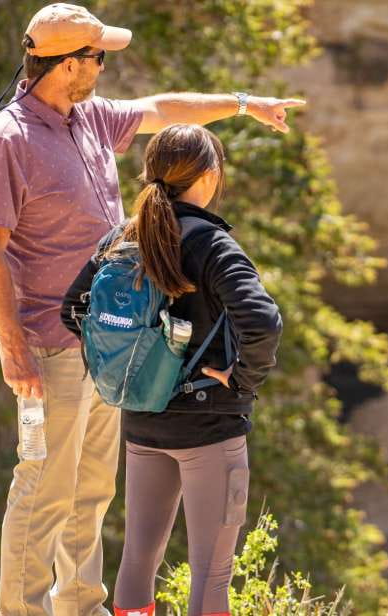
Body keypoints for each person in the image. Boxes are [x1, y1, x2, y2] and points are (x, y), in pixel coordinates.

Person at [0, 4, 302, 615]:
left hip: (111, 345)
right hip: (46, 344)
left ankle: (81, 606)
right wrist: (10, 345)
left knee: (92, 490)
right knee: (43, 486)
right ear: (67, 64)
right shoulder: (6, 140)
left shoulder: (87, 118)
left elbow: (163, 110)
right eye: (97, 57)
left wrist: (245, 103)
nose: (103, 66)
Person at [61, 123, 281, 616]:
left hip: (143, 420)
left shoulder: (123, 236)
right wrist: (241, 380)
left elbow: (73, 309)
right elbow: (263, 322)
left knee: (139, 558)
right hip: (210, 426)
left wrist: (123, 370)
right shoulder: (211, 243)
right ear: (209, 175)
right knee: (211, 572)